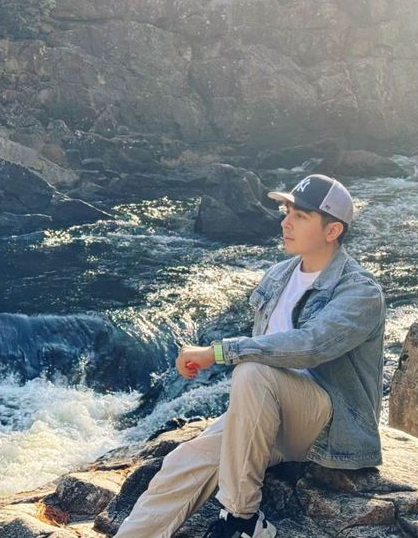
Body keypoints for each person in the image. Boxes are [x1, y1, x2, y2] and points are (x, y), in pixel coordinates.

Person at [113, 174, 386, 538]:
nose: (285, 223)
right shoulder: (278, 276)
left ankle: (241, 520)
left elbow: (310, 345)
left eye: (300, 216)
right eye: (286, 212)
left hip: (326, 424)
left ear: (332, 230)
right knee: (183, 463)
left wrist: (218, 352)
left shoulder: (360, 291)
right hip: (267, 414)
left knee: (252, 369)